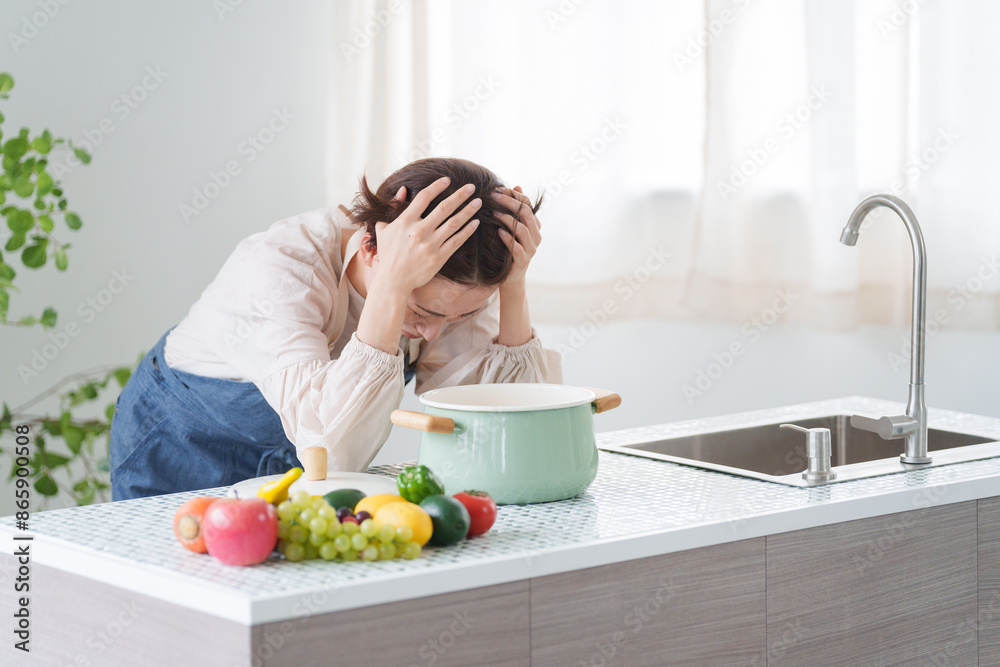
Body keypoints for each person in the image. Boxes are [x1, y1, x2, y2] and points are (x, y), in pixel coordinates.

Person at [109, 157, 562, 500]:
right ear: (371, 247)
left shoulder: (449, 289)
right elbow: (335, 453)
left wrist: (514, 286)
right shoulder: (283, 265)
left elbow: (501, 427)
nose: (432, 335)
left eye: (459, 317)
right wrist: (392, 287)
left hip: (296, 462)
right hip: (181, 445)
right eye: (421, 311)